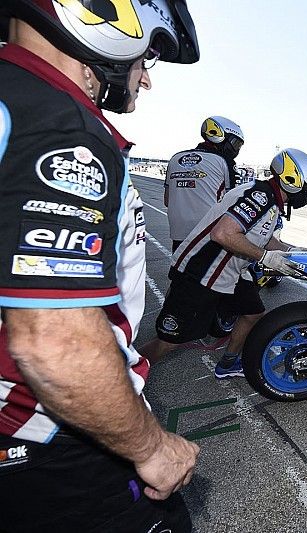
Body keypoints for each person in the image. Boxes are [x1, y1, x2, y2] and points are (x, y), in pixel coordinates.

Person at [0, 1, 200, 531]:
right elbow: (56, 341)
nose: (146, 79)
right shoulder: (64, 128)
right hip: (49, 436)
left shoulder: (16, 97)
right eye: (146, 57)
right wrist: (151, 448)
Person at [139, 149, 307, 377]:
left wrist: (292, 252)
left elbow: (265, 238)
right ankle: (122, 375)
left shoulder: (270, 200)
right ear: (293, 181)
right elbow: (223, 234)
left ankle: (228, 363)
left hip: (228, 273)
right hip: (201, 273)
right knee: (168, 342)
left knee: (253, 313)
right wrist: (265, 257)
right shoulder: (260, 196)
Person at [164, 116, 245, 252]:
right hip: (208, 235)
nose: (237, 149)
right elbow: (234, 203)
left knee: (179, 265)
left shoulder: (175, 158)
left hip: (178, 235)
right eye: (236, 143)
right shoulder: (225, 161)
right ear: (222, 137)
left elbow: (167, 200)